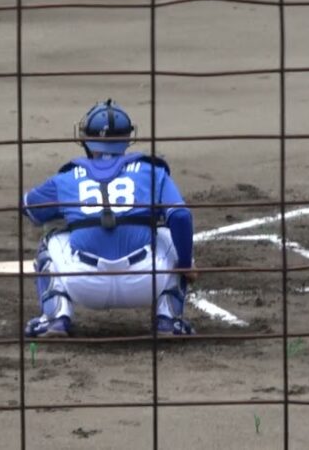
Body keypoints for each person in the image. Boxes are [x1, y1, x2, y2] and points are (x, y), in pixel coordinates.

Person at [21, 99, 196, 338]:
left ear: (86, 139)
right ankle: (168, 320)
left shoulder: (67, 177)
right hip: (145, 282)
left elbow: (30, 208)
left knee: (50, 239)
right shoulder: (151, 170)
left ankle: (55, 318)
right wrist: (185, 264)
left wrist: (73, 212)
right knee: (170, 234)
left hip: (84, 284)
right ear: (127, 138)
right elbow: (181, 216)